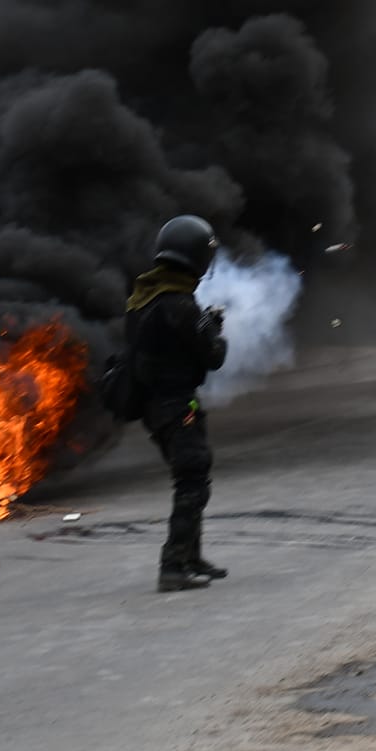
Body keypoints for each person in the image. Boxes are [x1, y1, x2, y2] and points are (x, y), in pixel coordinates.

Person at [125, 214, 229, 593]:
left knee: (192, 474)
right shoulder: (180, 305)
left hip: (158, 405)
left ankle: (191, 557)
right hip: (176, 404)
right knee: (193, 480)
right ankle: (173, 565)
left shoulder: (144, 298)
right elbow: (213, 356)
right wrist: (214, 330)